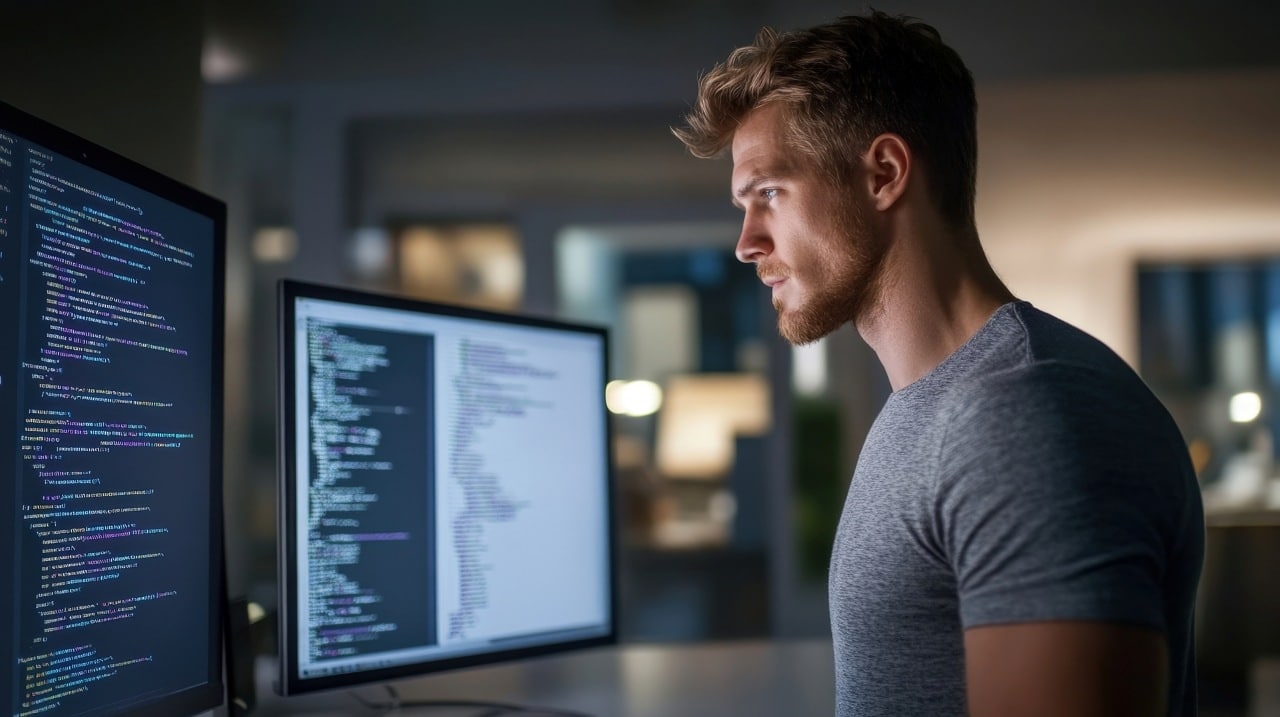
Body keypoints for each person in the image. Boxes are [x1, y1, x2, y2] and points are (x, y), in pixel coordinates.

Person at [673, 11, 1204, 717]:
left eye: (768, 192)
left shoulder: (1026, 410)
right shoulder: (936, 405)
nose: (746, 242)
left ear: (884, 173)